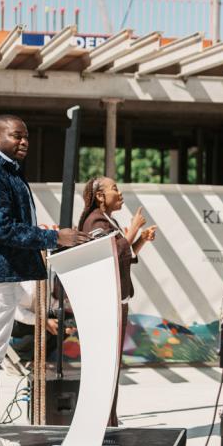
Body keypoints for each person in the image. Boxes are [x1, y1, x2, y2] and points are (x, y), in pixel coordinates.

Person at [0, 115, 89, 446]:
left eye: (26, 136)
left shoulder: (3, 168)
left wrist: (46, 235)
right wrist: (54, 237)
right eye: (17, 135)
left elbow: (2, 223)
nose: (24, 141)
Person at [79, 176, 157, 426]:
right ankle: (104, 419)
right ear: (100, 196)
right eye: (114, 188)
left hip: (116, 300)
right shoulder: (95, 221)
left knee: (112, 364)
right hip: (105, 303)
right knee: (106, 364)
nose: (120, 193)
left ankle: (109, 418)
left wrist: (141, 239)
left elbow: (124, 254)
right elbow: (109, 253)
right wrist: (133, 227)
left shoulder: (106, 220)